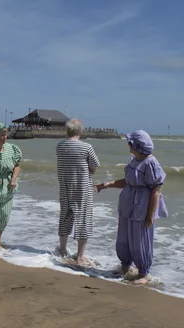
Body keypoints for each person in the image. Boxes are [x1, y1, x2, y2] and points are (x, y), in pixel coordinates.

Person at [96, 130, 167, 284]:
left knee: (140, 240)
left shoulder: (150, 163)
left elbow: (156, 190)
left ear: (138, 146)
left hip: (142, 207)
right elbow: (129, 181)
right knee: (124, 238)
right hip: (128, 205)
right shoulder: (134, 160)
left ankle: (144, 274)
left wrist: (150, 214)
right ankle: (126, 266)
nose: (128, 146)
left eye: (130, 143)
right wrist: (107, 184)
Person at [56, 119, 100, 266]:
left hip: (65, 185)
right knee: (83, 219)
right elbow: (94, 166)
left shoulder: (60, 146)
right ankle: (80, 255)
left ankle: (62, 250)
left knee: (65, 216)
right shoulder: (86, 147)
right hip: (82, 187)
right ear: (80, 131)